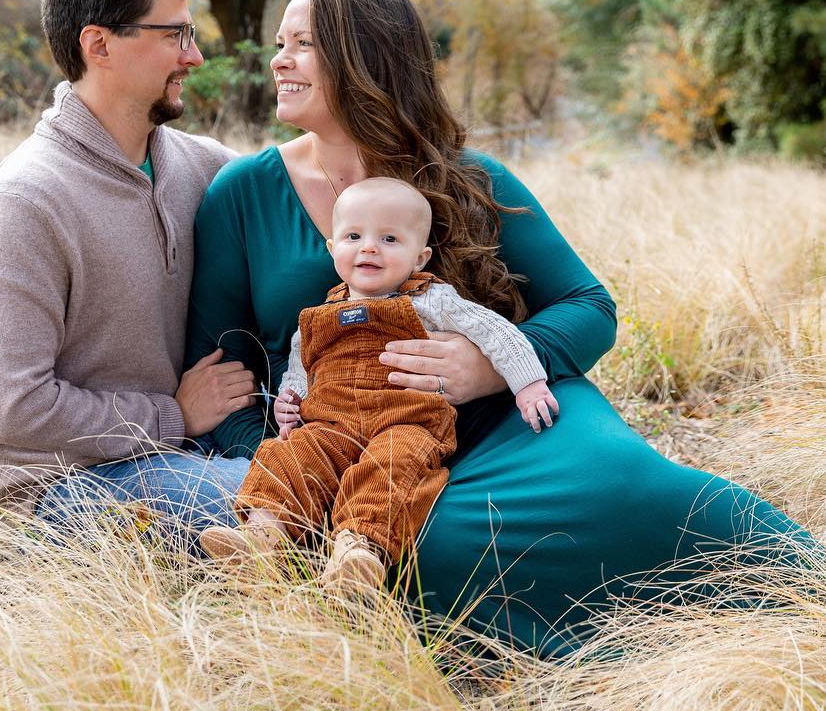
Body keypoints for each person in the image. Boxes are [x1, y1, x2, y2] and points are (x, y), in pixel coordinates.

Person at [185, 0, 826, 657]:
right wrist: (286, 479)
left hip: (513, 417)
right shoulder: (243, 193)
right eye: (279, 42)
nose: (278, 59)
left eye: (303, 44)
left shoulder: (467, 177)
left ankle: (818, 602)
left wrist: (491, 365)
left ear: (367, 57)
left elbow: (589, 306)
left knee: (627, 484)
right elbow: (219, 375)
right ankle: (619, 654)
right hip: (348, 448)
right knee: (442, 547)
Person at [0, 0, 257, 541]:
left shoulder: (207, 168)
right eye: (174, 34)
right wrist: (172, 415)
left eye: (191, 33)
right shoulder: (25, 201)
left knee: (351, 479)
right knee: (278, 503)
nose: (194, 57)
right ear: (99, 44)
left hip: (191, 448)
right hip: (59, 483)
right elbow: (17, 410)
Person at [200, 177, 559, 591]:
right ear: (334, 249)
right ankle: (262, 535)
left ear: (419, 257)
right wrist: (289, 399)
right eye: (354, 236)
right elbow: (302, 368)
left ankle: (359, 551)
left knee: (394, 466)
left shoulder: (432, 301)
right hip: (330, 424)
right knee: (290, 455)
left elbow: (497, 333)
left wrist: (528, 384)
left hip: (406, 419)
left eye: (389, 238)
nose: (369, 247)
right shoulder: (317, 316)